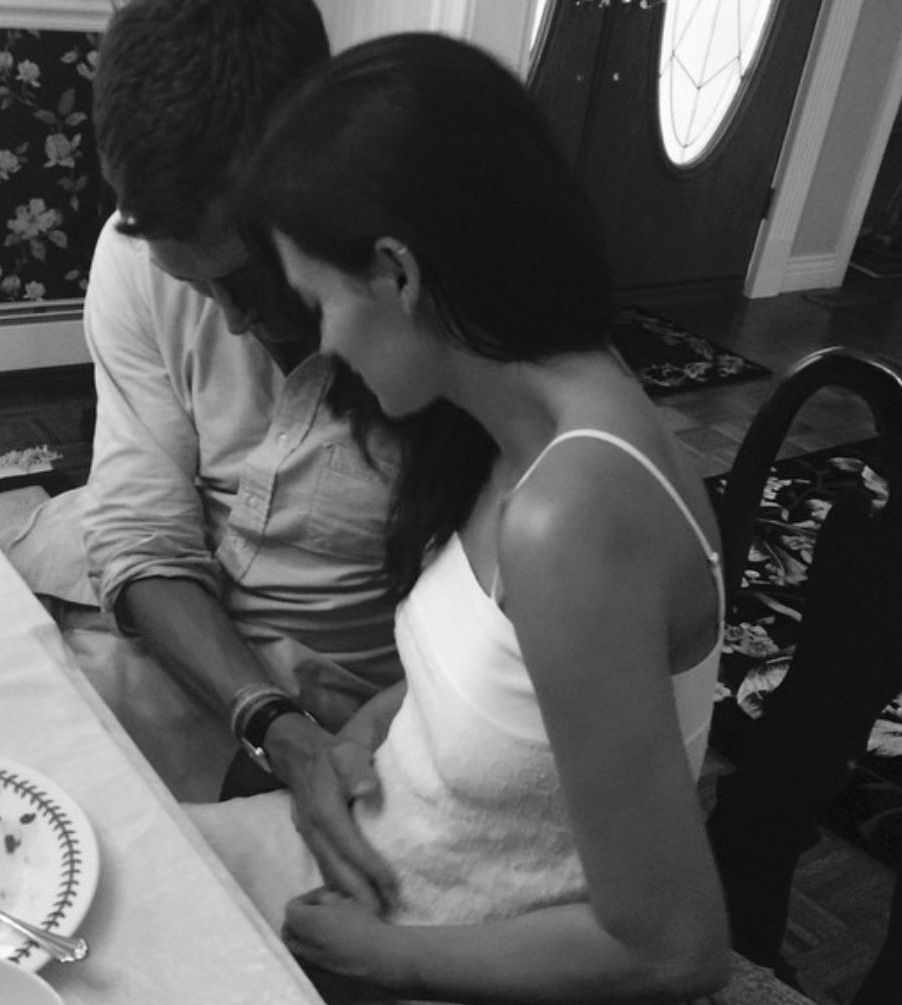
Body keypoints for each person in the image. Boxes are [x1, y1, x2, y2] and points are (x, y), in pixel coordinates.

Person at [187, 32, 731, 1003]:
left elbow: (674, 947)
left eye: (319, 302)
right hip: (387, 876)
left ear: (397, 274)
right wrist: (368, 730)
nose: (322, 344)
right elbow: (517, 684)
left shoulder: (572, 516)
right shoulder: (523, 421)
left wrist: (381, 956)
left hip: (432, 958)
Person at [0, 0, 414, 811]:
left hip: (357, 702)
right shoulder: (134, 255)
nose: (231, 320)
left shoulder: (422, 309)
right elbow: (140, 533)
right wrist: (267, 720)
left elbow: (490, 641)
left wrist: (309, 733)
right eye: (192, 284)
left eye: (244, 275)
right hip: (191, 653)